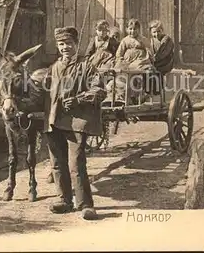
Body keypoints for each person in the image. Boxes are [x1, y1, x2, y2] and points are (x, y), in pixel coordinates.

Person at [20, 26, 107, 220]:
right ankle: (64, 200)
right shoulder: (54, 68)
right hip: (54, 121)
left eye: (69, 43)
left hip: (76, 122)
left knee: (76, 163)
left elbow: (100, 91)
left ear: (76, 45)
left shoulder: (87, 67)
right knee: (57, 163)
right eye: (61, 44)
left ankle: (85, 204)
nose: (65, 47)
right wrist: (20, 105)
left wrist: (79, 99)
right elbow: (41, 95)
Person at [103, 19, 154, 104]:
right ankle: (120, 94)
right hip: (127, 61)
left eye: (135, 29)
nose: (132, 31)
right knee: (121, 71)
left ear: (139, 29)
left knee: (139, 70)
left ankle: (137, 95)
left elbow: (149, 50)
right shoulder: (125, 40)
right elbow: (119, 53)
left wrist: (149, 58)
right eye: (130, 29)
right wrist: (120, 60)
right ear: (127, 30)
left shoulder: (143, 39)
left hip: (140, 60)